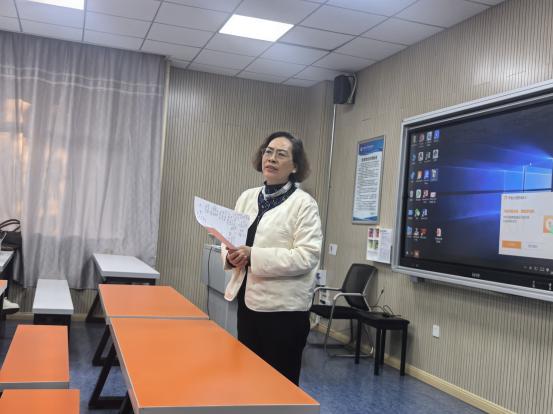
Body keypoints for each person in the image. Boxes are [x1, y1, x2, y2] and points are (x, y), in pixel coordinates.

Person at [222, 131, 322, 385]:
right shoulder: (247, 197)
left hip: (284, 312)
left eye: (281, 154)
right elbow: (230, 239)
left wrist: (252, 255)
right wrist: (231, 256)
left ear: (295, 166)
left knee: (279, 386)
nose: (272, 158)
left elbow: (306, 256)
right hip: (248, 304)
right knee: (248, 380)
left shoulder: (304, 204)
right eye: (268, 152)